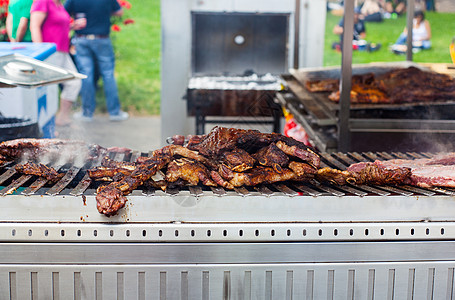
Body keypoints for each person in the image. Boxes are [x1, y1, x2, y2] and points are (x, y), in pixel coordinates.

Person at [64, 0, 129, 122]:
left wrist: (74, 22)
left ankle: (87, 113)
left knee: (86, 75)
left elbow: (63, 14)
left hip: (82, 39)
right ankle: (115, 113)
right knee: (108, 74)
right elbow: (120, 12)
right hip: (102, 39)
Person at [30, 0, 84, 126]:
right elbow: (34, 26)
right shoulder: (43, 2)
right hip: (50, 53)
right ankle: (47, 126)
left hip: (63, 51)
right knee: (49, 89)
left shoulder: (58, 4)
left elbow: (57, 25)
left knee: (74, 82)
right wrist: (41, 52)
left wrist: (72, 26)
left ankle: (62, 117)